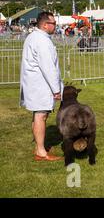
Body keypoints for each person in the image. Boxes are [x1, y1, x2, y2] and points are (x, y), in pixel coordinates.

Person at [20, 12, 63, 161]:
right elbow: (48, 67)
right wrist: (56, 89)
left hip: (35, 83)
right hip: (40, 84)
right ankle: (41, 151)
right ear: (45, 25)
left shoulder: (34, 37)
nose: (55, 26)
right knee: (41, 115)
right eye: (54, 24)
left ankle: (38, 146)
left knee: (37, 115)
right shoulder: (42, 41)